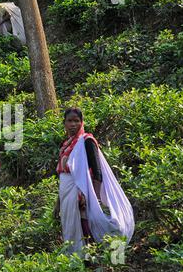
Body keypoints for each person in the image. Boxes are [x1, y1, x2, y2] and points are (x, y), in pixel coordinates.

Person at [53, 108, 134, 255]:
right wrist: (57, 204)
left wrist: (93, 196)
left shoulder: (87, 141)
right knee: (71, 226)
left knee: (86, 225)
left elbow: (97, 171)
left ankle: (94, 258)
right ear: (64, 123)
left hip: (83, 191)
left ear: (82, 122)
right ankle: (77, 260)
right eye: (69, 121)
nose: (73, 124)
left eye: (76, 121)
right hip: (66, 193)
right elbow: (63, 176)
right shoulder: (64, 144)